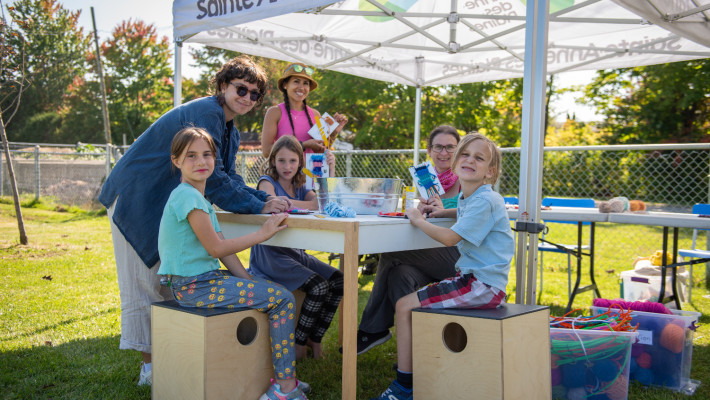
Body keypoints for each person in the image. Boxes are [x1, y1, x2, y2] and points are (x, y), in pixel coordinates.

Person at [99, 55, 291, 386]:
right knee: (143, 285)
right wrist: (261, 207)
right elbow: (214, 182)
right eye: (241, 89)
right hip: (135, 198)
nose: (247, 97)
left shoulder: (229, 128)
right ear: (223, 85)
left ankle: (172, 357)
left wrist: (264, 200)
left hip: (165, 203)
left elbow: (228, 177)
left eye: (254, 94)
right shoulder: (207, 114)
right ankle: (150, 369)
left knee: (165, 284)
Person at [158, 127, 308, 400]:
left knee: (270, 288)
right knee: (284, 299)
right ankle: (285, 387)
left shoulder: (198, 198)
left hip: (204, 281)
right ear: (176, 161)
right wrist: (262, 234)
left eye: (207, 154)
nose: (201, 161)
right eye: (191, 156)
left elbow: (224, 251)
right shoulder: (188, 197)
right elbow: (216, 248)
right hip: (196, 287)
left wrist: (249, 281)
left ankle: (278, 375)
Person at [371, 133, 515, 400]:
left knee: (404, 306)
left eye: (479, 158)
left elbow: (450, 239)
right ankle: (416, 370)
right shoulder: (473, 196)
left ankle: (405, 386)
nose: (469, 160)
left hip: (481, 286)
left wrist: (418, 219)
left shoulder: (485, 200)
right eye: (465, 155)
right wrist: (443, 212)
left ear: (490, 171)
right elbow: (465, 212)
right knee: (408, 302)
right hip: (475, 281)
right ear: (456, 162)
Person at [355, 125, 462, 355]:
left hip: (459, 257)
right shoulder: (426, 180)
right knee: (399, 274)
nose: (444, 153)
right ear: (429, 150)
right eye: (438, 147)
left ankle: (372, 329)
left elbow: (475, 208)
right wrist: (422, 209)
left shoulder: (466, 176)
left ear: (459, 149)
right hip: (430, 254)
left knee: (393, 251)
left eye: (450, 147)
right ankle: (414, 354)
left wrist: (444, 209)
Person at [249, 135, 343, 360]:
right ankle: (298, 343)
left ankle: (315, 338)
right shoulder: (266, 181)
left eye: (292, 161)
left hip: (295, 252)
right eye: (281, 160)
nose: (287, 166)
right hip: (270, 254)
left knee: (339, 281)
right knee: (319, 287)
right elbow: (275, 204)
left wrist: (330, 170)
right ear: (273, 161)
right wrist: (308, 204)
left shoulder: (300, 185)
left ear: (300, 162)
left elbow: (322, 203)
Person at [260, 62, 348, 158]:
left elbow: (320, 151)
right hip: (285, 168)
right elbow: (266, 151)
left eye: (305, 83)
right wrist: (304, 145)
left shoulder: (315, 114)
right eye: (296, 81)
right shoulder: (275, 112)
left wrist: (333, 132)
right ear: (285, 85)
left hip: (311, 168)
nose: (301, 87)